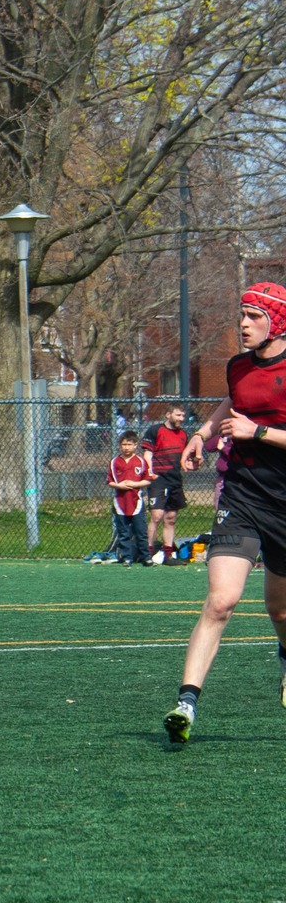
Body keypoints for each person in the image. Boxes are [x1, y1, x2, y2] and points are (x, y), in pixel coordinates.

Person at [163, 282, 286, 743]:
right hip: (242, 497)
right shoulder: (237, 366)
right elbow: (230, 404)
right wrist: (201, 434)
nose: (244, 323)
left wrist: (259, 433)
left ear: (276, 321)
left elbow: (253, 423)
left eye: (254, 316)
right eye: (243, 315)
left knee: (281, 611)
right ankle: (186, 705)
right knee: (221, 601)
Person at [142, 405, 189, 564]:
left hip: (175, 480)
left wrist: (191, 463)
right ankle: (148, 553)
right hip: (158, 479)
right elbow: (147, 455)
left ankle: (168, 555)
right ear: (168, 414)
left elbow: (185, 458)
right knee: (156, 516)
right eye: (178, 415)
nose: (181, 418)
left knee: (170, 518)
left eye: (183, 415)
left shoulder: (183, 434)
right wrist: (149, 472)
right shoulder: (155, 430)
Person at [107, 431, 154, 564]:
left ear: (135, 445)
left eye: (129, 444)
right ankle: (127, 557)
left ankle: (145, 556)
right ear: (120, 446)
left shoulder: (141, 461)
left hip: (136, 501)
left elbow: (148, 480)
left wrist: (135, 484)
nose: (126, 447)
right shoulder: (114, 462)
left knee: (141, 531)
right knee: (123, 531)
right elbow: (109, 481)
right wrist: (118, 486)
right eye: (123, 444)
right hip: (120, 502)